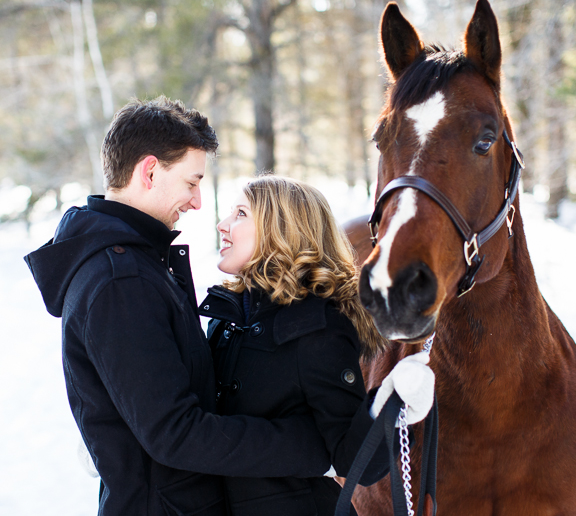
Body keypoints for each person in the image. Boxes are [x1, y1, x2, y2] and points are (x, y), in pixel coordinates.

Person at [24, 97, 344, 516]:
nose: (196, 202)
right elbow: (175, 433)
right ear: (150, 170)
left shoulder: (136, 265)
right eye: (192, 182)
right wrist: (315, 449)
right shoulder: (123, 281)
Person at [199, 176, 435, 515]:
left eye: (240, 214)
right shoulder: (225, 317)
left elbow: (355, 463)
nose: (223, 225)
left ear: (280, 229)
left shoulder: (316, 329)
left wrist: (390, 409)